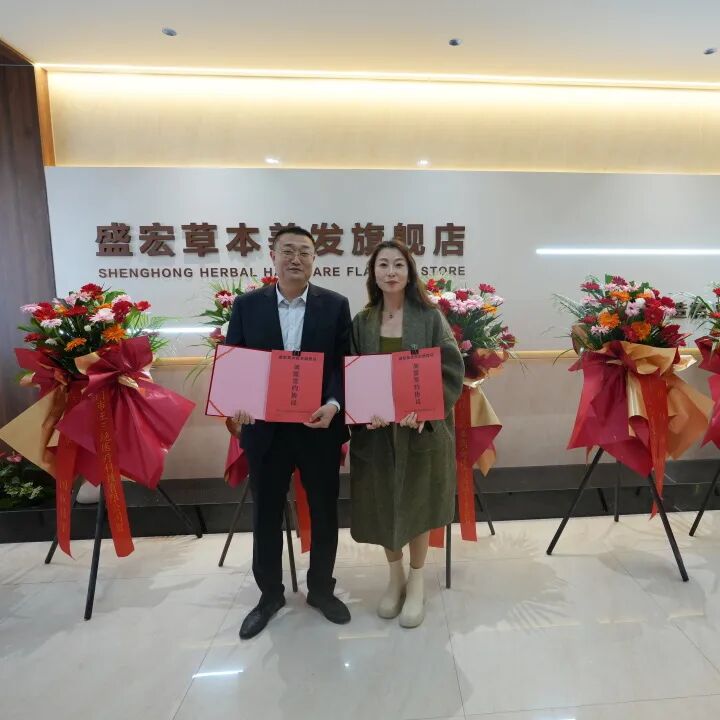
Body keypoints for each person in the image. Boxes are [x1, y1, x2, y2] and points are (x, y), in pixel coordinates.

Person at [226, 225, 352, 639]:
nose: (295, 259)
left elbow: (342, 364)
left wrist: (334, 405)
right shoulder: (247, 306)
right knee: (265, 513)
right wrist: (238, 403)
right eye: (288, 251)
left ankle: (321, 590)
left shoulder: (335, 305)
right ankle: (269, 596)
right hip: (265, 431)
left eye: (304, 252)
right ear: (273, 256)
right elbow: (236, 361)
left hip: (318, 428)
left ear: (315, 260)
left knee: (325, 511)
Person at [349, 240, 464, 628]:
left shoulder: (430, 318)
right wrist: (363, 411)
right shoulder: (363, 321)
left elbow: (452, 368)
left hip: (419, 432)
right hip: (377, 434)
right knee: (382, 502)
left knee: (418, 502)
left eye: (398, 264)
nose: (391, 272)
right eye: (383, 264)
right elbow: (352, 373)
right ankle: (395, 576)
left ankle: (416, 581)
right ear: (373, 273)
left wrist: (427, 410)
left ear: (410, 272)